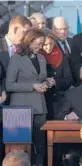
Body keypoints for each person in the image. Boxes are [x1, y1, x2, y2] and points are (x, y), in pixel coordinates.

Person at [5, 29, 53, 166]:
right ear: (29, 41)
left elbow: (40, 79)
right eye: (38, 44)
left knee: (40, 146)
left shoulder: (42, 59)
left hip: (40, 108)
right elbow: (9, 85)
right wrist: (32, 86)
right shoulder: (16, 59)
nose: (41, 47)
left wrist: (47, 82)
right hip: (20, 110)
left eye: (42, 44)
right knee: (19, 148)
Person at [0, 15, 32, 164]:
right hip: (2, 103)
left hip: (21, 106)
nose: (28, 37)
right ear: (14, 29)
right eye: (25, 32)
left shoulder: (26, 50)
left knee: (18, 150)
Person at [41, 32, 73, 120]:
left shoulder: (62, 57)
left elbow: (69, 79)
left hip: (59, 101)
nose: (48, 47)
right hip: (42, 100)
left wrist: (56, 82)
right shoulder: (37, 58)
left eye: (51, 43)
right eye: (45, 44)